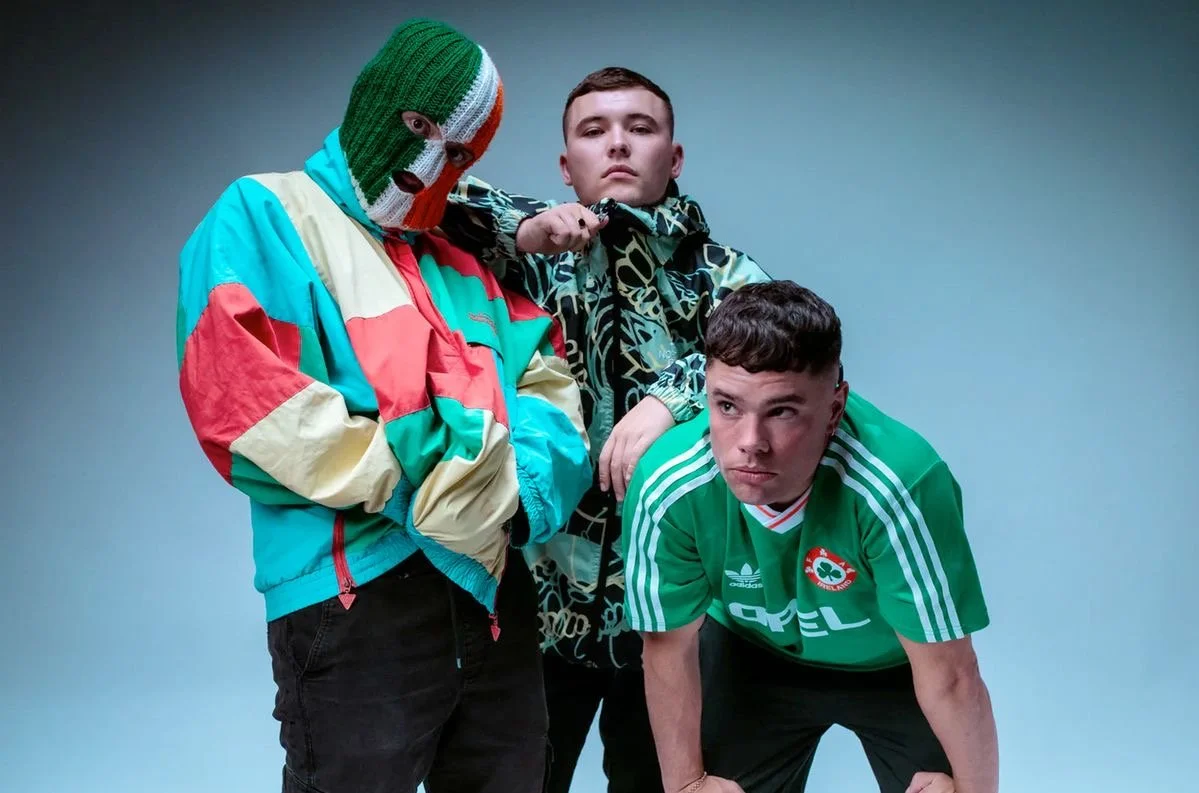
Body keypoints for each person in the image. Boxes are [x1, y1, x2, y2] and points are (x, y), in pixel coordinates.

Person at [174, 18, 592, 793]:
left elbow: (550, 384)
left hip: (495, 588)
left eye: (459, 153)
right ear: (377, 98)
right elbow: (241, 397)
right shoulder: (267, 212)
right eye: (419, 127)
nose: (430, 160)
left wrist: (514, 498)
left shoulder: (462, 256)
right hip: (355, 593)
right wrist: (420, 490)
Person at [436, 67, 771, 792]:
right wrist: (529, 226)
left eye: (639, 128)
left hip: (672, 614)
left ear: (673, 158)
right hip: (535, 600)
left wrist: (670, 399)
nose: (617, 144)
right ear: (566, 165)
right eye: (594, 132)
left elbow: (775, 359)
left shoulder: (723, 276)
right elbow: (429, 198)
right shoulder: (525, 267)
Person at [622, 281, 999, 793]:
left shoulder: (899, 485)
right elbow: (667, 645)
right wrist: (686, 783)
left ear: (835, 407)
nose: (750, 444)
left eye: (782, 411)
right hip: (749, 655)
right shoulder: (668, 484)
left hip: (893, 667)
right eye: (727, 407)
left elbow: (952, 675)